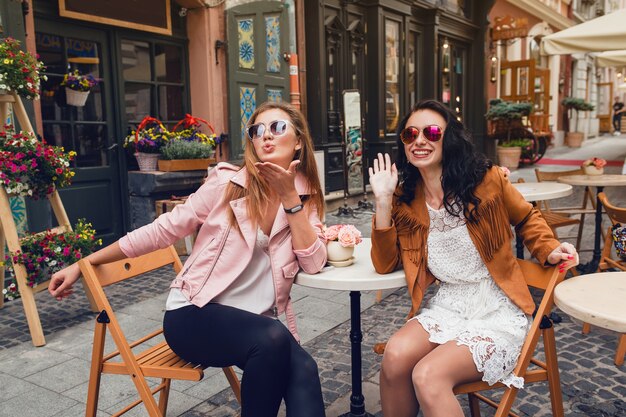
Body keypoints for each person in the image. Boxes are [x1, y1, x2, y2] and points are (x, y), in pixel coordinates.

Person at [49, 101, 328, 417]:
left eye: (277, 127)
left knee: (304, 368)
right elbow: (162, 230)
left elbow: (313, 262)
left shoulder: (305, 197)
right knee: (273, 338)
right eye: (257, 130)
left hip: (253, 323)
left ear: (299, 141)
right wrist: (82, 265)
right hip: (194, 314)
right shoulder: (228, 184)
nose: (266, 136)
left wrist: (290, 200)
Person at [368, 99, 579, 417]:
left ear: (448, 137)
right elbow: (384, 263)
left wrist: (547, 248)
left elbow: (525, 217)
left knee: (427, 375)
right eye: (410, 134)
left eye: (432, 131)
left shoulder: (487, 180)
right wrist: (383, 200)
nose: (420, 140)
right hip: (448, 306)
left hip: (496, 309)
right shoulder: (405, 199)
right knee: (395, 356)